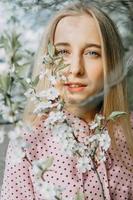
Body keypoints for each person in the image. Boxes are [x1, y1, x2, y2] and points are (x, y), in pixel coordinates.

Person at [1, 2, 133, 200]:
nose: (75, 69)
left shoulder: (129, 131)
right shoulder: (28, 141)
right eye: (63, 52)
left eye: (92, 53)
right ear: (48, 61)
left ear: (111, 63)